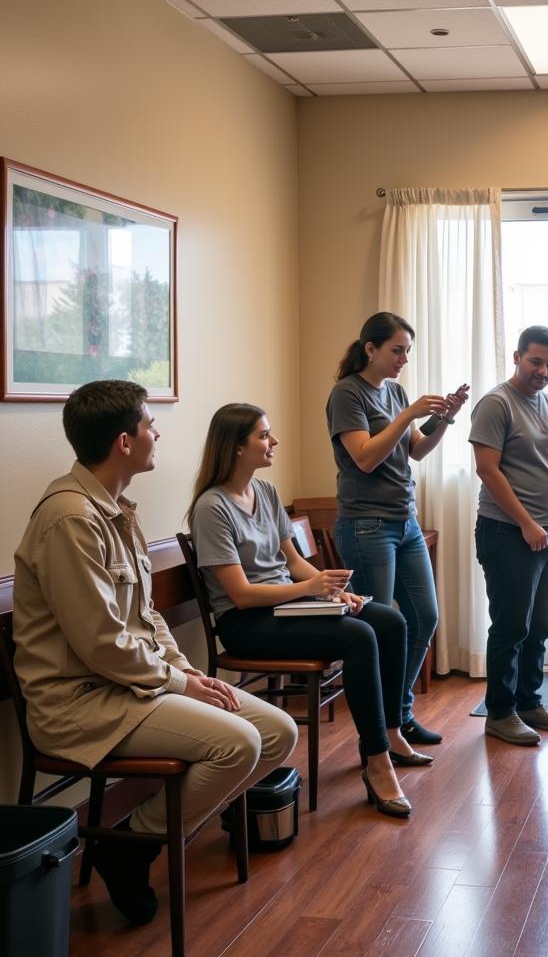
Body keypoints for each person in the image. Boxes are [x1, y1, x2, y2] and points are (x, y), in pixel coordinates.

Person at [12, 381, 298, 925]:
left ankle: (132, 840)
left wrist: (188, 670)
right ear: (125, 441)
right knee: (238, 742)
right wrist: (184, 683)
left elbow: (147, 620)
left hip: (134, 685)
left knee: (277, 732)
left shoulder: (117, 510)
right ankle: (132, 849)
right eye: (149, 424)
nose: (157, 431)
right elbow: (102, 646)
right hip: (83, 702)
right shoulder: (71, 519)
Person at [188, 403, 427, 820]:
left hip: (287, 605)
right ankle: (377, 761)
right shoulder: (212, 508)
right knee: (359, 636)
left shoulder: (264, 492)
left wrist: (330, 589)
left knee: (390, 620)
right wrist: (310, 589)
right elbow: (241, 595)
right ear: (236, 447)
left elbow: (293, 561)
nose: (273, 441)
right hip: (247, 623)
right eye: (263, 435)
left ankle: (388, 731)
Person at [327, 312, 469, 748]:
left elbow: (418, 452)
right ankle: (380, 733)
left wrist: (444, 417)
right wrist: (407, 413)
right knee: (380, 625)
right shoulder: (347, 394)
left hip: (403, 521)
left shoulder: (395, 391)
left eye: (408, 350)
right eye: (397, 349)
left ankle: (399, 714)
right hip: (366, 525)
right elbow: (366, 457)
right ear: (370, 349)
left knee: (424, 616)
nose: (404, 358)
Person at [469, 325, 548, 746]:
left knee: (541, 626)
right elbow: (487, 470)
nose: (543, 371)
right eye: (536, 361)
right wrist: (526, 524)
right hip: (505, 533)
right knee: (511, 626)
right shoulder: (496, 404)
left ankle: (530, 702)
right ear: (517, 357)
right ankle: (500, 712)